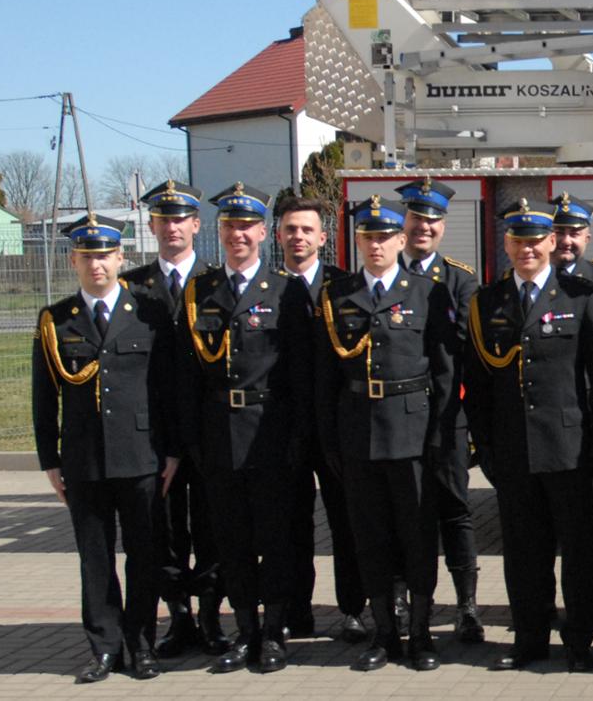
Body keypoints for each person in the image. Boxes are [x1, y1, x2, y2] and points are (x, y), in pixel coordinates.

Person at [464, 198, 593, 673]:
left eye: (536, 241)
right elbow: (479, 387)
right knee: (524, 555)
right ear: (506, 245)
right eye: (518, 241)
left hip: (571, 451)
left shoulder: (581, 296)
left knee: (578, 553)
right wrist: (486, 448)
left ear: (553, 242)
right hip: (514, 452)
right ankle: (530, 639)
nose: (527, 249)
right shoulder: (487, 303)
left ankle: (578, 641)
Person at [34, 214, 181, 683]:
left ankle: (140, 643)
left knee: (144, 553)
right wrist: (50, 461)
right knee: (94, 557)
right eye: (87, 257)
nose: (97, 264)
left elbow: (167, 390)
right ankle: (103, 646)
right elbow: (43, 396)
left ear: (122, 258)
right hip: (84, 459)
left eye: (105, 255)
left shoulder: (150, 312)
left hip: (142, 456)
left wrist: (173, 451)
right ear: (73, 261)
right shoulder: (57, 320)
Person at [314, 197, 458, 672]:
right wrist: (332, 441)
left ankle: (420, 633)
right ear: (357, 241)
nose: (375, 245)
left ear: (402, 239)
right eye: (367, 237)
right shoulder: (338, 295)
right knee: (369, 537)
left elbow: (443, 372)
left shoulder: (426, 292)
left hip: (412, 432)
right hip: (359, 434)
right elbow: (326, 379)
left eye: (384, 236)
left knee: (417, 537)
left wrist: (439, 434)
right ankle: (384, 633)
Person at [178, 184, 309, 674]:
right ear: (221, 232)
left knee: (273, 540)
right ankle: (245, 631)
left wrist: (298, 436)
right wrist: (193, 439)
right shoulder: (201, 293)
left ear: (262, 233)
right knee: (230, 543)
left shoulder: (285, 290)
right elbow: (186, 374)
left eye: (246, 226)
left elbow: (299, 372)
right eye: (229, 226)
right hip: (218, 437)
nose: (238, 234)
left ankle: (274, 632)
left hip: (269, 434)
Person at [121, 180, 230, 659]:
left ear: (196, 225)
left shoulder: (217, 283)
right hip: (154, 430)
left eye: (180, 218)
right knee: (163, 531)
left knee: (212, 526)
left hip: (208, 429)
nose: (171, 228)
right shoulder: (132, 287)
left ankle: (210, 615)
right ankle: (177, 616)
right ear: (152, 226)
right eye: (163, 220)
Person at [275, 196, 369, 644]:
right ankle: (297, 610)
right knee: (291, 526)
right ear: (279, 235)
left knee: (348, 522)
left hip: (336, 427)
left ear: (323, 238)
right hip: (282, 430)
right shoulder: (265, 288)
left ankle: (353, 608)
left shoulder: (343, 287)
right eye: (291, 229)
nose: (299, 237)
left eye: (307, 230)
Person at [395, 177, 484, 645]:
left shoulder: (459, 280)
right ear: (403, 222)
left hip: (447, 418)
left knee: (455, 511)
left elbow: (476, 355)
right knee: (406, 512)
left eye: (431, 220)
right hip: (398, 420)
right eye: (416, 218)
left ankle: (467, 606)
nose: (423, 227)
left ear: (443, 227)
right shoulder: (386, 274)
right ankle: (403, 603)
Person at [546, 192, 593, 635]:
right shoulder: (528, 277)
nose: (566, 240)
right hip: (551, 427)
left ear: (588, 236)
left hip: (591, 422)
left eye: (574, 232)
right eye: (559, 231)